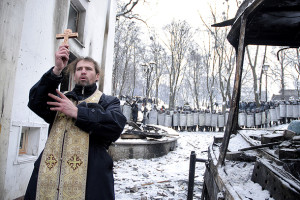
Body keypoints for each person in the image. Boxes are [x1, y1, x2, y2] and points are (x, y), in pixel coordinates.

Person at [24, 44, 126, 200]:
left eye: (88, 68)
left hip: (90, 180)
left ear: (97, 76)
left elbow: (115, 126)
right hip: (50, 176)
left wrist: (78, 112)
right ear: (74, 74)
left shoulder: (108, 101)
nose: (83, 71)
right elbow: (35, 101)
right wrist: (56, 71)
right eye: (79, 69)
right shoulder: (61, 98)